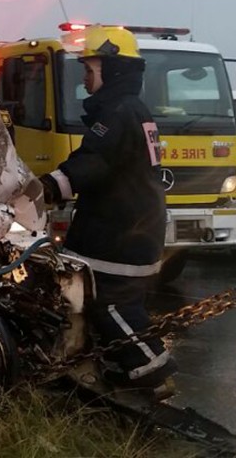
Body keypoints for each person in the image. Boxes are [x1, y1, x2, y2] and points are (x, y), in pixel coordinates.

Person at [38, 25, 176, 397]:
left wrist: (49, 186)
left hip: (121, 233)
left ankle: (151, 371)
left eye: (90, 69)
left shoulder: (116, 113)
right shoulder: (130, 109)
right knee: (115, 302)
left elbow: (94, 161)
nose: (84, 79)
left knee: (111, 303)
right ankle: (111, 369)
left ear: (113, 69)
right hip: (133, 227)